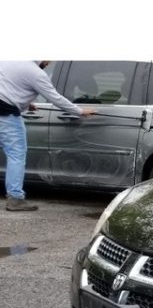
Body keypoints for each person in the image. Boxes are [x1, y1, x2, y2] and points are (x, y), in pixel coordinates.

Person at [0, 61, 95, 212]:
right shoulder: (37, 74)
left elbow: (8, 87)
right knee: (16, 155)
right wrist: (79, 111)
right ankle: (15, 199)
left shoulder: (10, 61)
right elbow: (55, 98)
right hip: (6, 116)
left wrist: (24, 103)